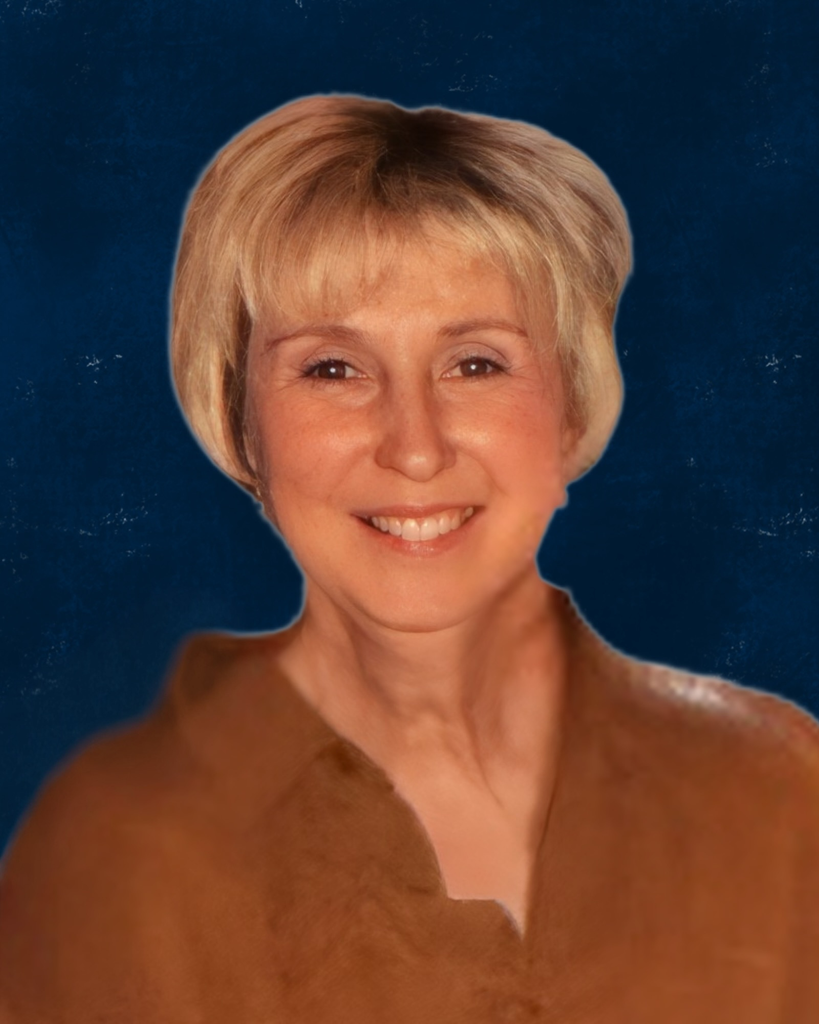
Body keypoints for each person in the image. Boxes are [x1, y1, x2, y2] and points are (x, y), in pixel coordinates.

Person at [1, 94, 818, 1023]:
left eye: (475, 364)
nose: (416, 449)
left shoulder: (773, 786)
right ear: (239, 419)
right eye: (332, 369)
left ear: (572, 405)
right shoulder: (114, 858)